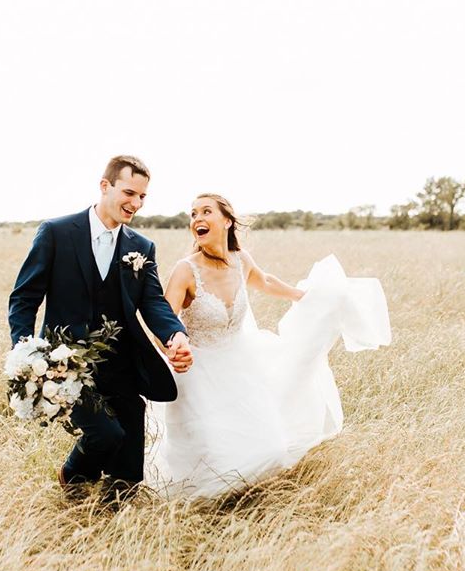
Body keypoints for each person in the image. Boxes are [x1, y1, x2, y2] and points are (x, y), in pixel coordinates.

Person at [145, 193, 391, 499]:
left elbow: (266, 281)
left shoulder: (240, 260)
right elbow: (164, 319)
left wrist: (305, 297)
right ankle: (206, 513)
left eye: (206, 211)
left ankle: (247, 502)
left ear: (227, 220)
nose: (196, 219)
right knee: (210, 452)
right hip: (197, 374)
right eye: (193, 214)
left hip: (240, 367)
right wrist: (173, 347)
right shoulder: (186, 270)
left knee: (269, 446)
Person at [7, 156, 192, 498]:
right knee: (106, 435)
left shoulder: (141, 247)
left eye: (142, 197)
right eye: (129, 193)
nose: (136, 203)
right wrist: (26, 354)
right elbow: (24, 298)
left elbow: (152, 303)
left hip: (122, 364)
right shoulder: (57, 233)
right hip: (67, 365)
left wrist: (174, 335)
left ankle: (112, 518)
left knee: (129, 472)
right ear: (105, 186)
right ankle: (72, 477)